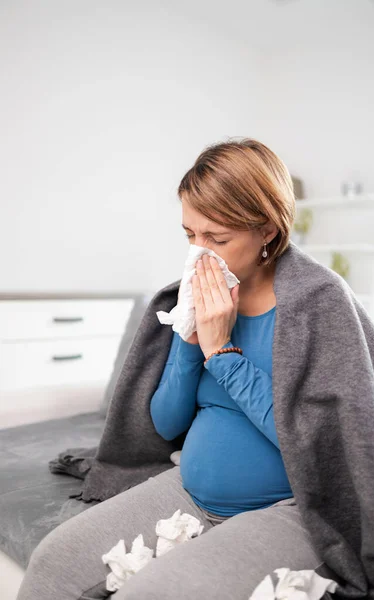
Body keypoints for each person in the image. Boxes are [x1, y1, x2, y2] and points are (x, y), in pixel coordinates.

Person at [17, 139, 337, 600]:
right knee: (53, 562)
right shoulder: (200, 299)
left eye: (218, 239)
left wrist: (222, 352)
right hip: (186, 489)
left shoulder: (315, 305)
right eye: (190, 235)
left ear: (267, 229)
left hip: (286, 511)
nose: (199, 255)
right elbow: (166, 424)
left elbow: (309, 441)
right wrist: (191, 343)